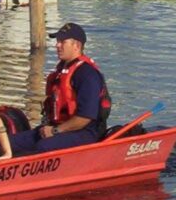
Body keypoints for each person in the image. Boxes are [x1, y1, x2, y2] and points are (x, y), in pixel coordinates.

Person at [10, 23, 111, 156]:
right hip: (59, 128)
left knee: (43, 147)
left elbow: (85, 118)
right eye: (57, 41)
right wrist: (51, 129)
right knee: (10, 142)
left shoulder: (87, 74)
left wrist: (55, 131)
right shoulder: (61, 71)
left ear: (77, 46)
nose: (57, 45)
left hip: (84, 132)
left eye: (63, 42)